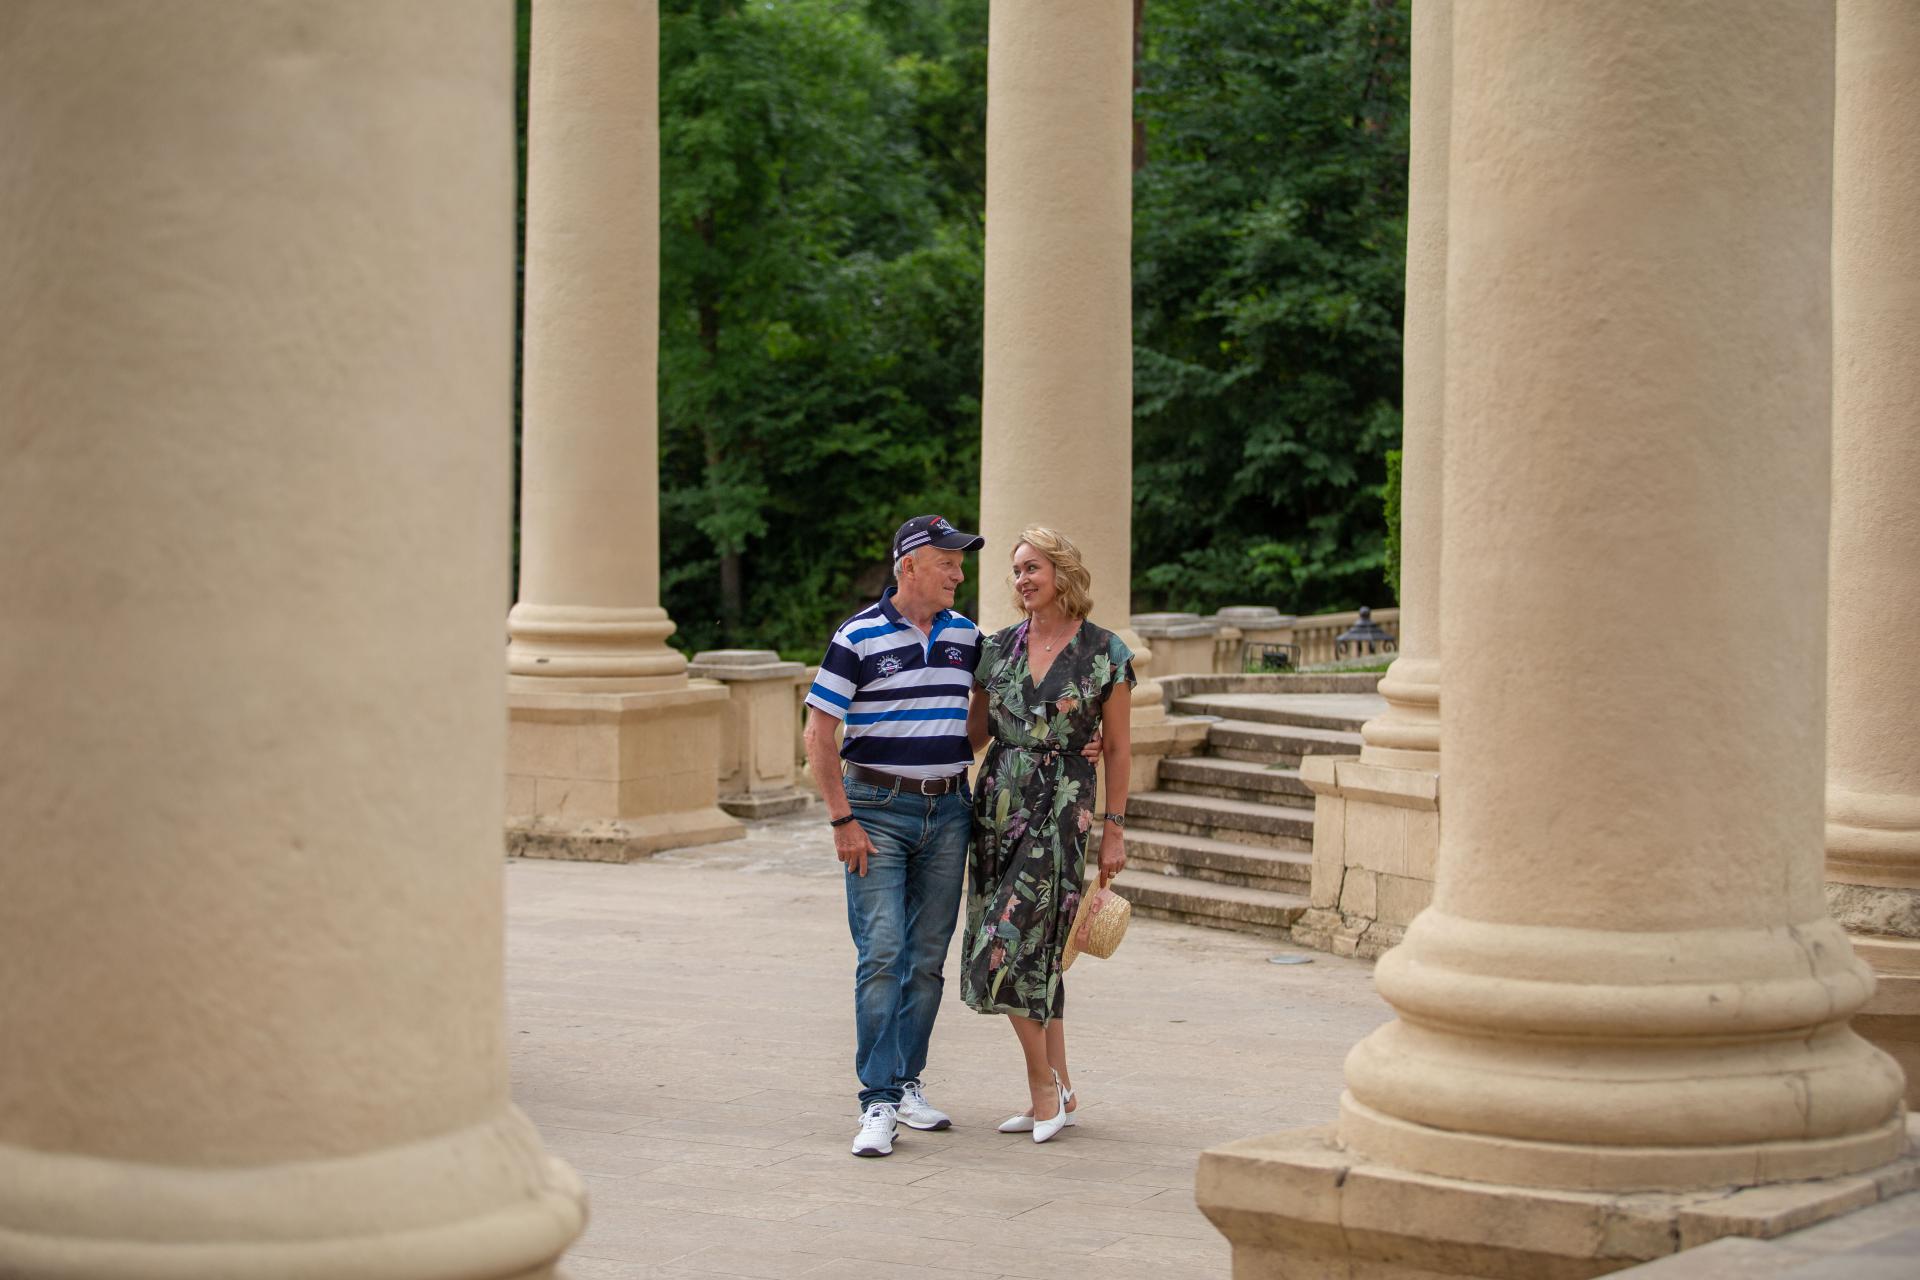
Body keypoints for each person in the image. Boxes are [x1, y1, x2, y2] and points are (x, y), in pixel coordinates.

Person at [803, 515, 984, 1158]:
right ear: (910, 566)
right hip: (874, 810)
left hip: (949, 810)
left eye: (960, 564)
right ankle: (876, 1101)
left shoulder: (967, 636)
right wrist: (841, 819)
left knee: (928, 959)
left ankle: (908, 1083)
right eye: (947, 563)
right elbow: (818, 737)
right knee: (882, 953)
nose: (959, 576)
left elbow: (990, 713)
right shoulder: (857, 636)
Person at [962, 526, 1132, 1144]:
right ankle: (1059, 1088)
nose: (1022, 579)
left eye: (1033, 567)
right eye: (1016, 571)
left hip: (1062, 810)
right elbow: (975, 736)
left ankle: (1041, 1089)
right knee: (1034, 956)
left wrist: (1113, 830)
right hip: (995, 810)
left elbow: (1115, 748)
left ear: (1063, 573)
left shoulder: (1106, 653)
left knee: (1004, 945)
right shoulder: (997, 648)